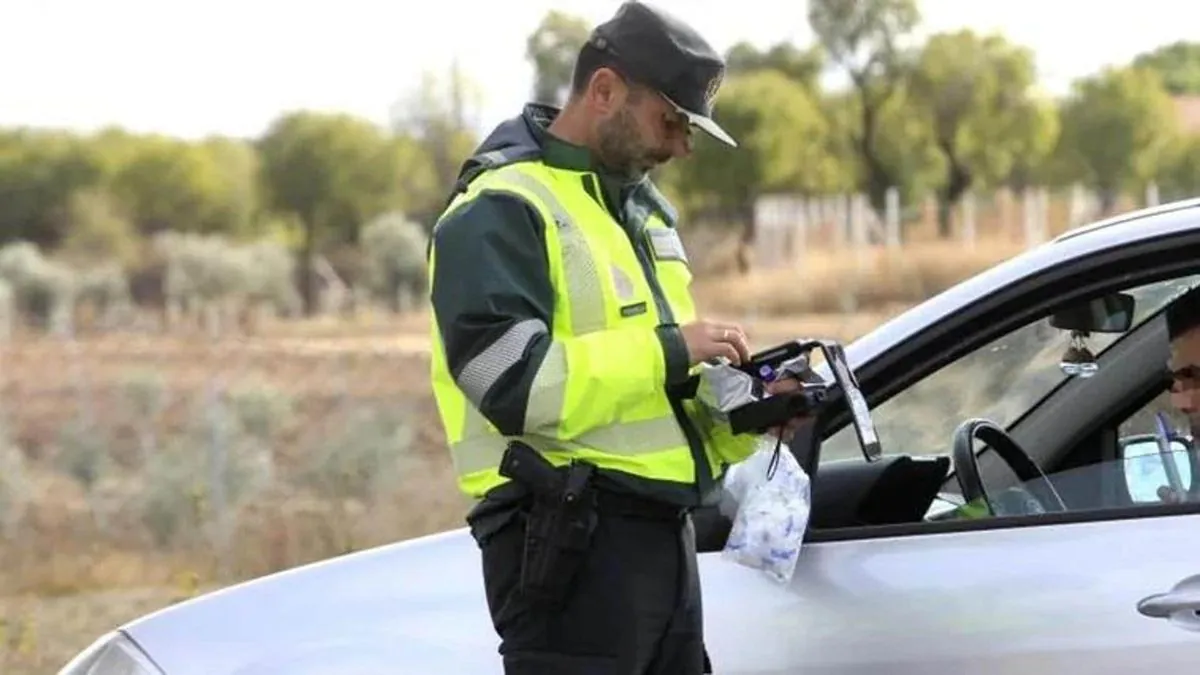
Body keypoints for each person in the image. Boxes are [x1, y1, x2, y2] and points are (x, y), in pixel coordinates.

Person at [426, 2, 810, 673]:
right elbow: (509, 381)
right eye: (673, 121)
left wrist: (750, 413)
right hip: (564, 543)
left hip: (660, 542)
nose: (683, 147)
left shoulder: (638, 207)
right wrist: (671, 347)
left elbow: (651, 400)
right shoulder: (500, 209)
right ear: (605, 91)